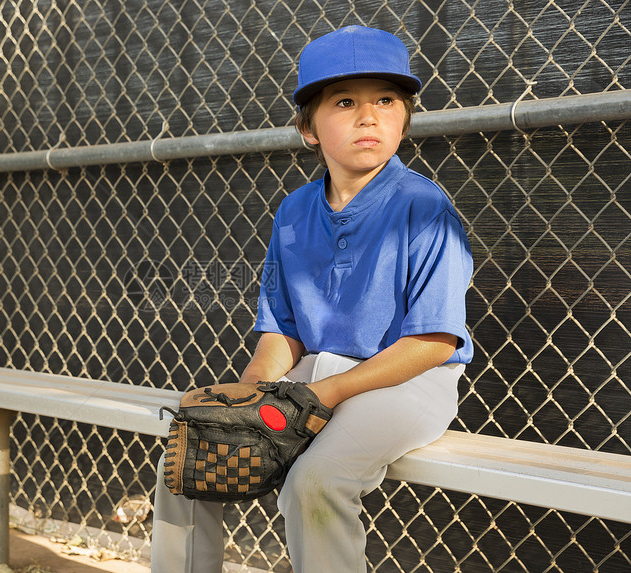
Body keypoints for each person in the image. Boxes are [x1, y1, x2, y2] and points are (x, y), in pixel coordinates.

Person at [151, 25, 473, 573]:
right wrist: (253, 392)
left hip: (407, 383)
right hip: (314, 375)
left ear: (405, 119)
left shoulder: (424, 207)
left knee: (315, 481)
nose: (368, 116)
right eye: (344, 101)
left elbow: (434, 340)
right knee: (194, 455)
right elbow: (283, 330)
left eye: (386, 100)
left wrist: (325, 391)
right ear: (308, 128)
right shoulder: (295, 210)